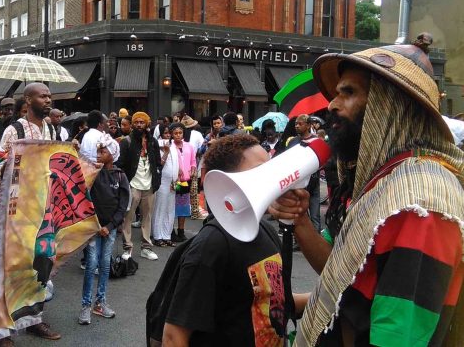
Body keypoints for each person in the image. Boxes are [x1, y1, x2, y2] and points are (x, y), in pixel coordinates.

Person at [270, 44, 464, 346]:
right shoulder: (384, 182)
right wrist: (300, 221)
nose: (332, 104)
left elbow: (398, 336)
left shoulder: (419, 203)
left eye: (347, 93)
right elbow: (341, 270)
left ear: (389, 105)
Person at [160, 135, 308, 346]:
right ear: (225, 181)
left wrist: (327, 295)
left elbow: (270, 298)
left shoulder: (265, 229)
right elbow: (174, 337)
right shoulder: (211, 245)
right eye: (259, 170)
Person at [0, 83, 60, 346]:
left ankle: (33, 319)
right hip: (18, 211)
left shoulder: (52, 129)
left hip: (45, 209)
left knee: (41, 265)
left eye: (49, 96)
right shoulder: (14, 129)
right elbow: (0, 167)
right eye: (42, 96)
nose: (48, 100)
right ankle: (2, 330)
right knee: (11, 268)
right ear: (28, 100)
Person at [78, 138, 129, 325]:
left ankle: (100, 303)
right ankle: (85, 306)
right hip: (93, 228)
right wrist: (95, 225)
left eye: (103, 152)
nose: (99, 155)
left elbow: (123, 205)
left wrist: (110, 226)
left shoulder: (120, 175)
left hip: (110, 228)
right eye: (98, 152)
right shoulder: (92, 173)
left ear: (113, 154)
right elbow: (84, 198)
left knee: (105, 264)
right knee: (91, 264)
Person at [117, 111, 162, 261]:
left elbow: (157, 163)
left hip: (149, 185)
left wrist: (157, 181)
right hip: (132, 185)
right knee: (128, 217)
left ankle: (146, 248)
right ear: (132, 124)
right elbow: (121, 165)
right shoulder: (126, 142)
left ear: (147, 124)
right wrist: (124, 185)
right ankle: (127, 248)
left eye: (142, 122)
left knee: (147, 217)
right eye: (136, 122)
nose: (139, 125)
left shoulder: (153, 142)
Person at [287, 114, 321, 232]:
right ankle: (299, 240)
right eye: (296, 123)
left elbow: (323, 160)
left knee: (315, 214)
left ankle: (317, 240)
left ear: (308, 125)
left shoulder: (316, 141)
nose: (296, 126)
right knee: (299, 214)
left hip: (313, 182)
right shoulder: (293, 142)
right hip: (298, 183)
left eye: (300, 124)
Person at [167, 123, 196, 243]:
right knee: (172, 205)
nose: (178, 135)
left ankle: (181, 230)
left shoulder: (189, 146)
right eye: (175, 133)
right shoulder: (169, 146)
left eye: (180, 133)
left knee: (183, 205)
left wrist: (193, 168)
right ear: (172, 135)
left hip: (185, 181)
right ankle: (170, 230)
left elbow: (193, 160)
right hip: (174, 181)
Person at [152, 125, 179, 247]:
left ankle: (167, 235)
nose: (168, 135)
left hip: (173, 182)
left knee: (170, 209)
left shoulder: (172, 145)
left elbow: (176, 163)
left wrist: (178, 175)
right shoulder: (157, 145)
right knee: (160, 209)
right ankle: (157, 236)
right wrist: (166, 151)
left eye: (169, 133)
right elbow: (159, 165)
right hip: (162, 181)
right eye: (165, 133)